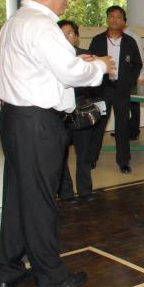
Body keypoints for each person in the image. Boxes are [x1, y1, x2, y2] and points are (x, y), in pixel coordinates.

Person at [0, 0, 115, 287]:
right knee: (40, 199)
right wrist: (99, 66)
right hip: (37, 122)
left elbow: (42, 68)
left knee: (17, 196)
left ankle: (9, 269)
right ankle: (50, 274)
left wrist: (79, 63)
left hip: (14, 118)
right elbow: (69, 72)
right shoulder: (42, 25)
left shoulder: (15, 22)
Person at [89, 5, 143, 174]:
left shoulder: (129, 42)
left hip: (121, 89)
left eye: (118, 17)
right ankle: (91, 159)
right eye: (111, 16)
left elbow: (137, 64)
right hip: (103, 89)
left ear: (123, 21)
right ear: (107, 19)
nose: (114, 20)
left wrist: (128, 82)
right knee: (99, 125)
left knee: (122, 126)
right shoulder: (97, 40)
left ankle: (123, 162)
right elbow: (91, 62)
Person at [57, 19, 97, 203]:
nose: (66, 37)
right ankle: (65, 191)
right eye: (62, 33)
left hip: (81, 111)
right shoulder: (51, 58)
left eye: (70, 33)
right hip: (59, 114)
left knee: (84, 153)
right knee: (61, 154)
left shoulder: (85, 56)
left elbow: (94, 82)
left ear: (76, 37)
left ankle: (85, 190)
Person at [123, 19, 144, 141]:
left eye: (119, 18)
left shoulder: (134, 36)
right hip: (118, 79)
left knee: (134, 105)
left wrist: (140, 77)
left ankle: (134, 131)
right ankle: (123, 130)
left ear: (125, 21)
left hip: (133, 77)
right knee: (122, 106)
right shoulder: (113, 36)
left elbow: (140, 57)